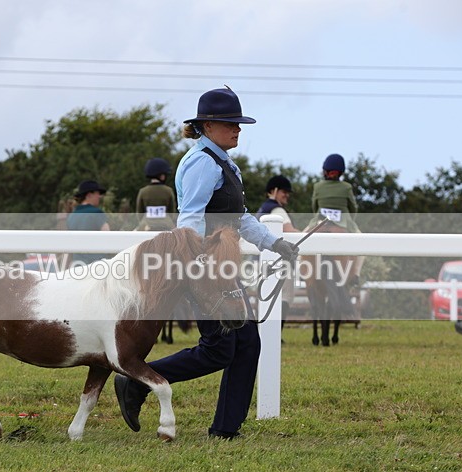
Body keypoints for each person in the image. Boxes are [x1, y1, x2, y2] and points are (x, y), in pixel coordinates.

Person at [114, 86, 299, 440]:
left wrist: (275, 243)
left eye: (239, 124)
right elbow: (190, 219)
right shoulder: (202, 163)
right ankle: (137, 381)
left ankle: (226, 429)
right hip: (206, 270)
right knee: (218, 349)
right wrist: (198, 265)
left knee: (247, 342)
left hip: (221, 268)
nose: (238, 129)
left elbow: (240, 219)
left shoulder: (224, 163)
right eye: (231, 123)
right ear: (208, 126)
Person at [306, 153, 364, 285]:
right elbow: (353, 207)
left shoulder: (318, 186)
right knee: (362, 242)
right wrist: (350, 221)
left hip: (320, 221)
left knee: (299, 241)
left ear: (325, 171)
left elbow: (314, 207)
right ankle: (355, 274)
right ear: (340, 172)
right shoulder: (346, 187)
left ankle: (300, 271)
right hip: (342, 222)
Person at [256, 175, 300, 327]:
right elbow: (290, 231)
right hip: (279, 261)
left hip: (260, 260)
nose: (287, 195)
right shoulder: (277, 209)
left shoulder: (263, 209)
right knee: (286, 297)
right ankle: (275, 332)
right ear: (274, 191)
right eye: (284, 192)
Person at [66, 180, 110, 265]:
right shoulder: (97, 213)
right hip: (97, 265)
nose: (99, 196)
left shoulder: (71, 216)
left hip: (77, 265)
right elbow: (108, 236)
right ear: (89, 195)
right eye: (97, 194)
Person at [135, 158, 177, 231]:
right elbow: (172, 214)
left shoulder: (143, 191)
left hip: (146, 227)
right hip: (166, 227)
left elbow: (139, 214)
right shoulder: (168, 191)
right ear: (161, 176)